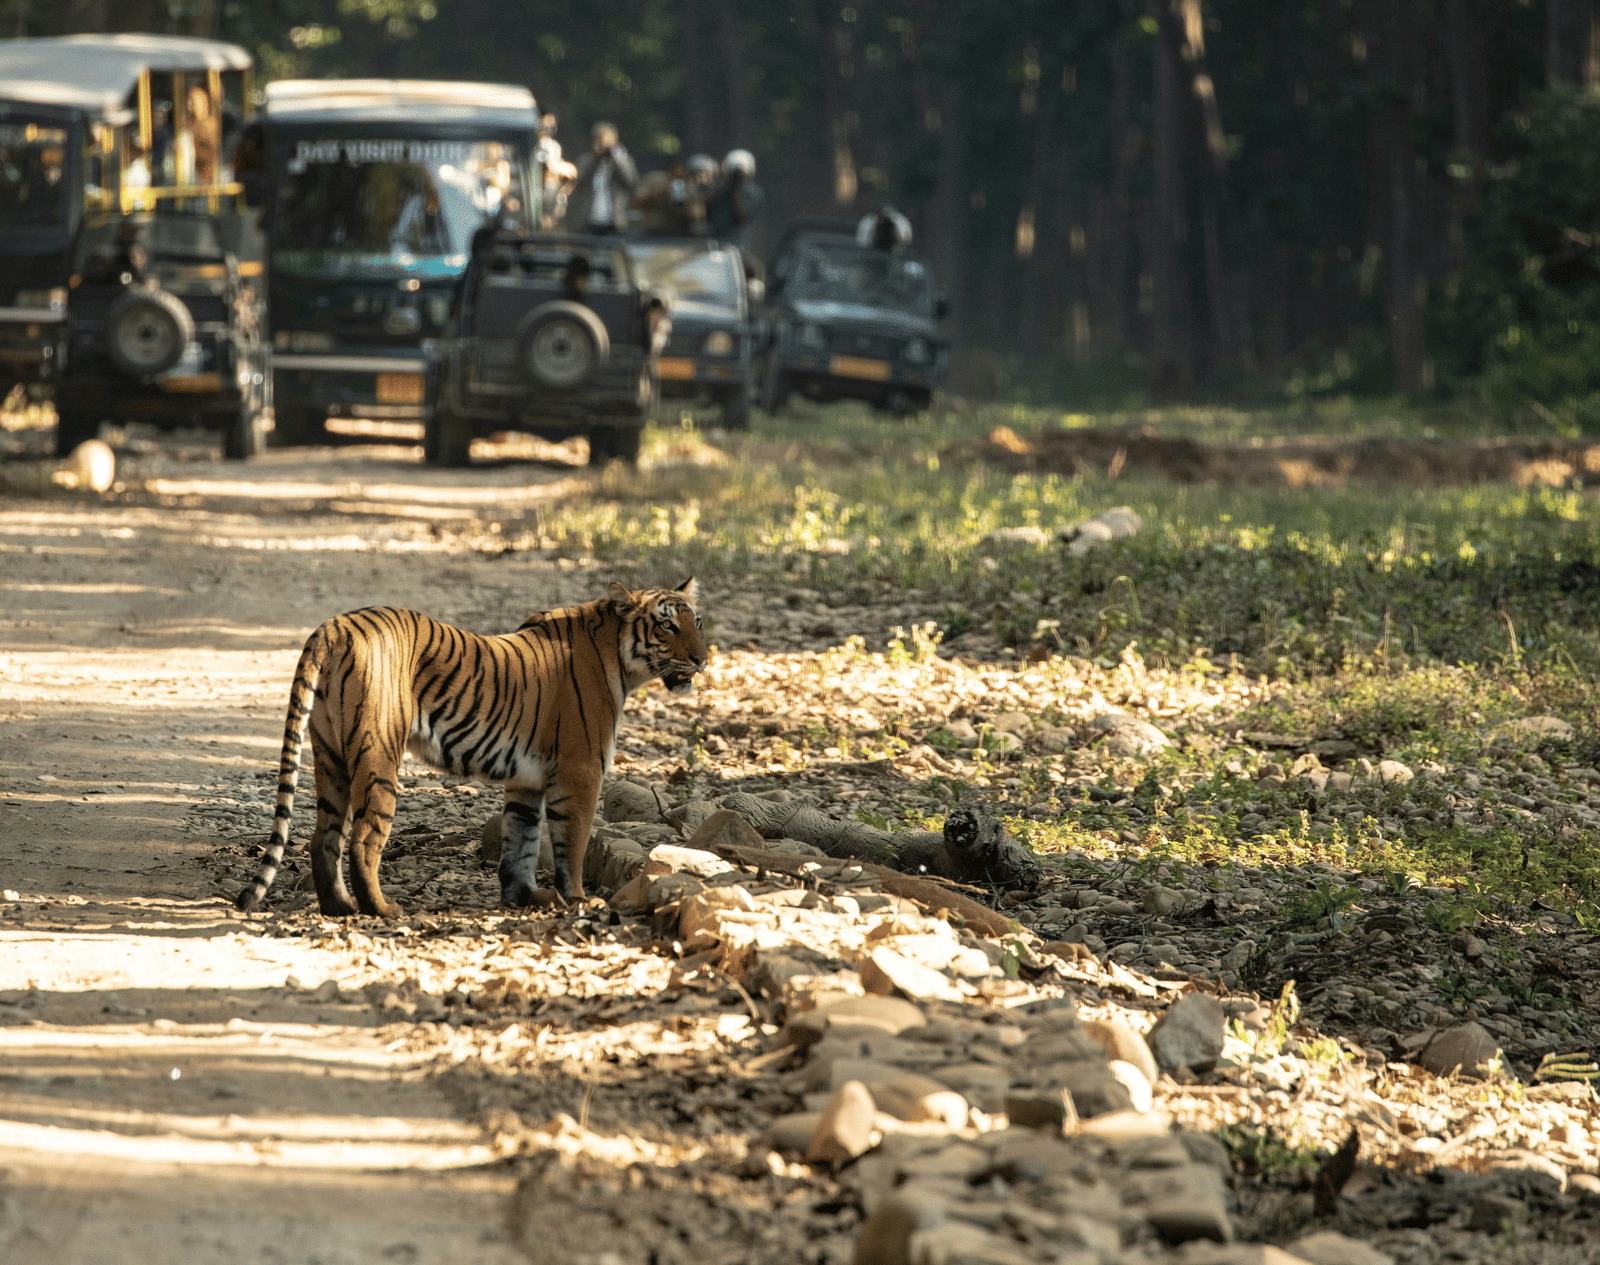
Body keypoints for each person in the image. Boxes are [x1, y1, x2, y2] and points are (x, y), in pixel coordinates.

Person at [566, 122, 636, 235]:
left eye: (607, 142)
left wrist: (616, 159)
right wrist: (595, 160)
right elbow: (579, 185)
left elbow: (631, 183)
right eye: (599, 141)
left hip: (615, 223)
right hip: (588, 222)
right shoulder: (586, 161)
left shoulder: (623, 162)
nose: (603, 146)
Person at [705, 148, 763, 254]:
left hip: (738, 250)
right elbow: (706, 208)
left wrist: (735, 189)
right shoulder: (719, 191)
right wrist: (727, 185)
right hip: (713, 247)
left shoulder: (752, 192)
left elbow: (742, 216)